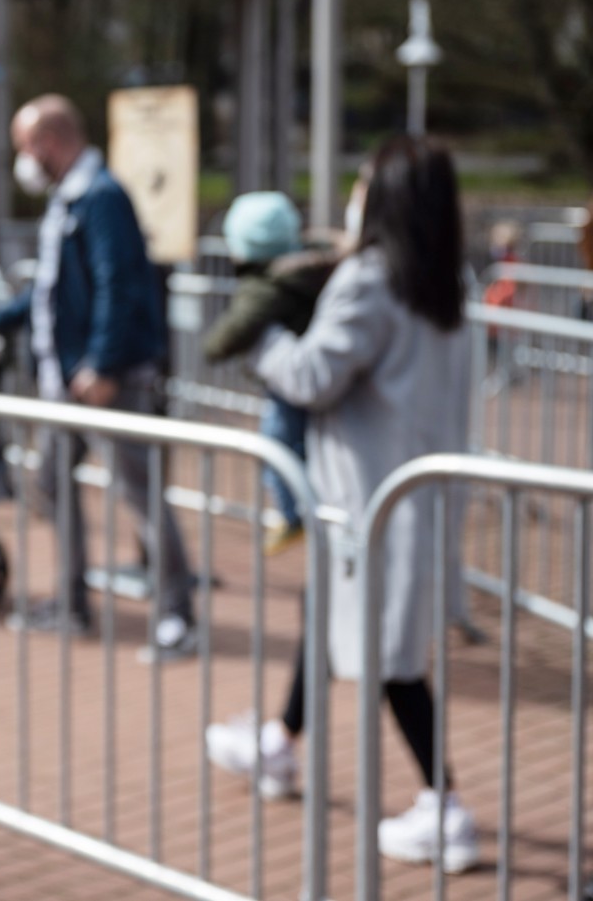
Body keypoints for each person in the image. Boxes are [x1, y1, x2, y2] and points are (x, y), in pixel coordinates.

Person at [203, 135, 481, 874]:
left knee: (391, 658)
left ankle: (445, 805)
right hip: (414, 491)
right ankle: (280, 743)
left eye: (363, 184)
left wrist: (258, 332)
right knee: (333, 618)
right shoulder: (444, 281)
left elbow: (312, 373)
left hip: (369, 497)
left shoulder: (369, 279)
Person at [0, 94, 196, 657]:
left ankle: (178, 616)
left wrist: (103, 365)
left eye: (24, 146)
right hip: (68, 381)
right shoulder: (71, 197)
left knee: (139, 494)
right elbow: (51, 291)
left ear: (49, 141)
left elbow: (120, 285)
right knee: (52, 484)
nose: (22, 158)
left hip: (101, 379)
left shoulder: (101, 196)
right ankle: (70, 601)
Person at [201, 192, 338, 554]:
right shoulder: (310, 266)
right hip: (309, 382)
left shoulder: (264, 287)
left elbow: (231, 332)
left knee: (276, 448)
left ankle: (293, 515)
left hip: (288, 386)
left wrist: (212, 346)